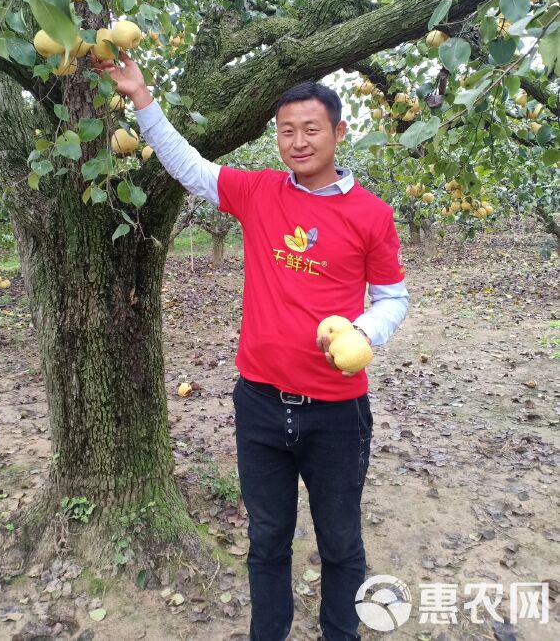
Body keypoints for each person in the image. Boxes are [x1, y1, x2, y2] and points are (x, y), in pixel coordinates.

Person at [103, 54, 409, 641]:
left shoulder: (371, 214)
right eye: (286, 131)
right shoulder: (259, 193)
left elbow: (393, 297)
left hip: (336, 412)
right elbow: (187, 166)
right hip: (261, 405)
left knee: (341, 541)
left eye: (311, 129)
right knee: (267, 540)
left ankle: (339, 633)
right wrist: (142, 99)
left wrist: (365, 332)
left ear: (339, 132)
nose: (297, 142)